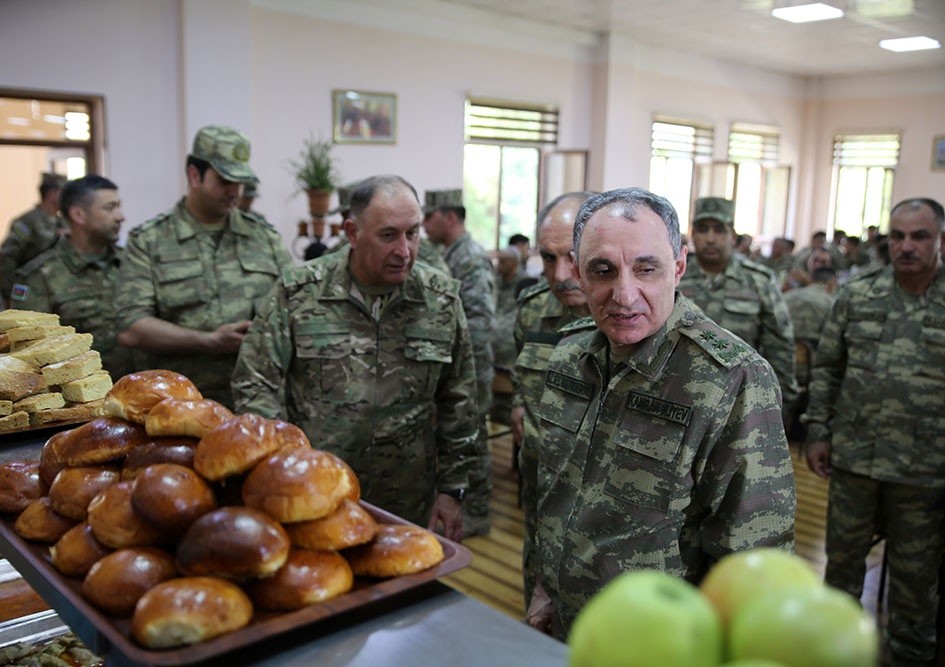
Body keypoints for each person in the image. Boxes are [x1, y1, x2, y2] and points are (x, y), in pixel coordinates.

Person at [526, 187, 796, 639]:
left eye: (646, 268)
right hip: (561, 621)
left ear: (678, 266)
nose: (624, 295)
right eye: (603, 270)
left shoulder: (732, 379)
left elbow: (754, 562)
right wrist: (544, 580)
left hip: (659, 640)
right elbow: (551, 489)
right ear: (578, 271)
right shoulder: (568, 355)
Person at [231, 175, 479, 542]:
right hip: (314, 488)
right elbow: (255, 381)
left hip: (406, 495)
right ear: (351, 231)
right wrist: (282, 466)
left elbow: (460, 398)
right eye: (388, 235)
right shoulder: (299, 293)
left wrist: (453, 488)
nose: (405, 251)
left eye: (412, 233)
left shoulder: (440, 300)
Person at [804, 197, 945, 666]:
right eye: (897, 236)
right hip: (856, 459)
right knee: (841, 571)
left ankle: (909, 656)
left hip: (926, 471)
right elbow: (827, 366)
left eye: (919, 236)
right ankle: (833, 654)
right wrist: (818, 431)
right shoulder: (858, 293)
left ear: (938, 239)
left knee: (916, 579)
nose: (906, 246)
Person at [114, 125, 291, 408]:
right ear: (194, 175)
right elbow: (131, 328)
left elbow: (294, 305)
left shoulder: (264, 237)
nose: (234, 191)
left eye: (240, 182)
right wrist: (208, 340)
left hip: (255, 402)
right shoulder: (150, 240)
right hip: (178, 406)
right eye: (224, 181)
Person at [511, 190, 594, 608]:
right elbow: (521, 369)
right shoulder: (533, 310)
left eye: (572, 257)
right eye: (548, 258)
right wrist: (518, 406)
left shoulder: (632, 313)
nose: (561, 274)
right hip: (542, 497)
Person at [678, 197, 798, 420]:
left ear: (732, 236)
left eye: (719, 230)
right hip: (681, 397)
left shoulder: (758, 281)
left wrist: (781, 404)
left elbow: (779, 345)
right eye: (703, 230)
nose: (711, 239)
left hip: (742, 402)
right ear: (693, 235)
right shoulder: (675, 277)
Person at [10, 175, 134, 379]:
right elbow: (27, 356)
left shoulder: (132, 262)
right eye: (109, 208)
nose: (120, 216)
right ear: (78, 214)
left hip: (142, 389)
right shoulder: (39, 276)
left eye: (119, 206)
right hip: (83, 400)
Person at [423, 188, 496, 537]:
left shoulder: (470, 257)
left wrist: (467, 370)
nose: (423, 225)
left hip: (473, 362)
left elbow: (481, 321)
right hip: (458, 361)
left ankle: (479, 513)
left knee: (475, 436)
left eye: (429, 218)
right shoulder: (447, 254)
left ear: (450, 218)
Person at [1, 172, 66, 308]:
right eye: (65, 193)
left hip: (57, 291)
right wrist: (9, 294)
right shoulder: (28, 222)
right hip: (29, 292)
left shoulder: (63, 223)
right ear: (52, 195)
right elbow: (7, 258)